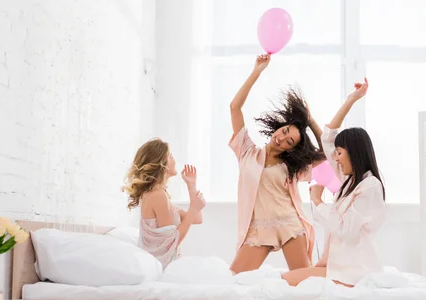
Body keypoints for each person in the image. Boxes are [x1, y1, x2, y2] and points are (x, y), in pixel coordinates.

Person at [282, 78, 387, 287]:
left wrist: (318, 202)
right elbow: (328, 137)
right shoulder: (350, 181)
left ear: (354, 153)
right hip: (336, 266)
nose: (335, 158)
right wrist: (351, 99)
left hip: (353, 272)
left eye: (339, 153)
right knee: (283, 280)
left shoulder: (370, 187)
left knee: (285, 283)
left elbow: (345, 230)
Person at [229, 54, 326, 274]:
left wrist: (310, 119)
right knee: (234, 279)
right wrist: (256, 71)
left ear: (291, 148)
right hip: (258, 229)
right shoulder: (247, 151)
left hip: (290, 225)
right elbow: (235, 107)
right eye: (284, 132)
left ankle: (334, 275)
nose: (281, 139)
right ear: (278, 128)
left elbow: (327, 152)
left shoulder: (292, 167)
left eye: (289, 141)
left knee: (305, 281)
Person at [123, 138, 206, 267]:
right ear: (162, 163)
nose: (175, 160)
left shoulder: (160, 194)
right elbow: (171, 241)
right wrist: (194, 208)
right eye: (171, 156)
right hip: (162, 269)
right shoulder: (157, 195)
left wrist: (191, 185)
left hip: (168, 265)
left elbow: (197, 219)